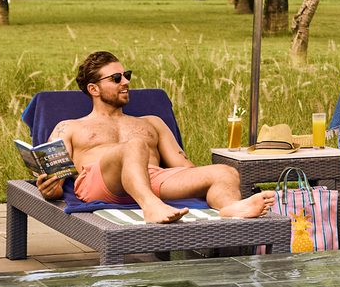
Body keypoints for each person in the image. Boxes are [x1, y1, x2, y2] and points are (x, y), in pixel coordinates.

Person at [36, 51, 275, 224]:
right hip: (102, 182)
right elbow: (54, 182)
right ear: (93, 89)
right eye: (116, 78)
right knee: (135, 146)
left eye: (126, 75)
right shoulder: (68, 127)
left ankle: (230, 208)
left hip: (153, 179)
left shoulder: (152, 122)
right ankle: (150, 207)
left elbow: (184, 167)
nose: (126, 82)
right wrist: (50, 188)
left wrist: (205, 179)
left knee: (225, 172)